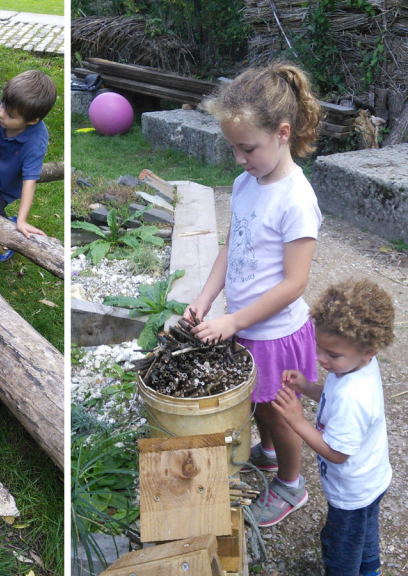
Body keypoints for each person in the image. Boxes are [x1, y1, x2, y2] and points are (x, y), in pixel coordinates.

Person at [184, 61, 324, 528]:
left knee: (280, 411)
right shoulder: (247, 184)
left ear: (283, 133)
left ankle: (290, 484)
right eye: (234, 149)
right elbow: (231, 245)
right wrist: (206, 299)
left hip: (275, 333)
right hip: (244, 325)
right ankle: (266, 453)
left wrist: (234, 322)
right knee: (259, 401)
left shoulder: (296, 199)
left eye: (247, 148)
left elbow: (294, 283)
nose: (239, 159)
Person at [273, 279, 394, 576]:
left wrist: (297, 421)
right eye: (319, 347)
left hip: (352, 491)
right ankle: (370, 570)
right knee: (364, 536)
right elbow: (332, 394)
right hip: (371, 479)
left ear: (369, 350)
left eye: (333, 355)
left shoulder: (354, 397)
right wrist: (306, 386)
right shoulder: (357, 365)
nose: (320, 358)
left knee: (340, 548)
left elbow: (338, 454)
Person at [0, 70, 57, 262]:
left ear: (32, 121)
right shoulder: (2, 112)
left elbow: (30, 181)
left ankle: (9, 233)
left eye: (10, 115)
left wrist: (22, 220)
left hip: (8, 182)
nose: (1, 114)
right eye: (2, 105)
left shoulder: (36, 142)